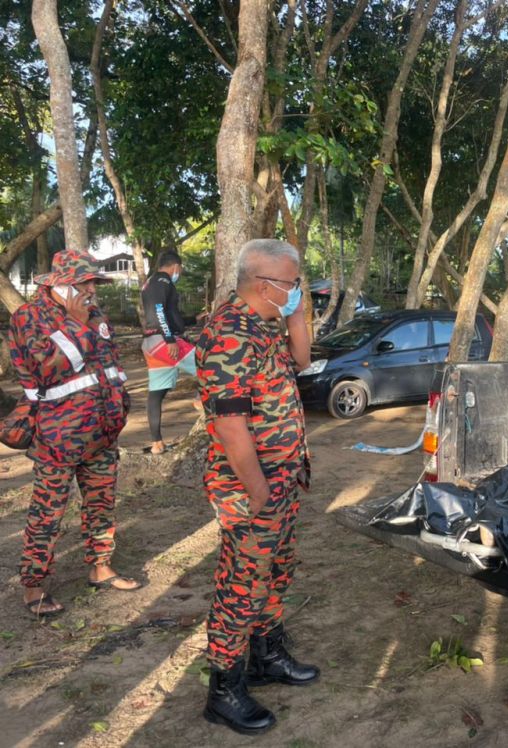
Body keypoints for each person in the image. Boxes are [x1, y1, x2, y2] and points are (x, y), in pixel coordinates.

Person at [197, 239, 318, 735]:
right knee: (241, 584)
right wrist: (259, 492)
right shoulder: (227, 335)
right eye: (290, 285)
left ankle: (266, 654)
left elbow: (304, 360)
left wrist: (294, 312)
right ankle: (224, 689)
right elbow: (230, 428)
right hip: (251, 489)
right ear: (263, 284)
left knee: (276, 571)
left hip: (283, 477)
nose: (296, 292)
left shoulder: (263, 324)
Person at [8, 249, 140, 617]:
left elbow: (108, 364)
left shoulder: (94, 314)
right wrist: (77, 324)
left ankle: (100, 566)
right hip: (58, 435)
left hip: (101, 429)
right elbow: (48, 368)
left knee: (101, 504)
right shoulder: (29, 317)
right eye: (84, 285)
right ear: (62, 286)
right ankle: (33, 585)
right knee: (48, 511)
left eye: (93, 284)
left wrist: (119, 407)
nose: (91, 292)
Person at [140, 251, 195, 454]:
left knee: (157, 392)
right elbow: (159, 311)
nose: (179, 273)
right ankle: (200, 400)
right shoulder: (162, 280)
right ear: (175, 266)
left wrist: (194, 319)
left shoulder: (151, 283)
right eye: (179, 269)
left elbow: (169, 314)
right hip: (164, 342)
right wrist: (170, 339)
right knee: (209, 365)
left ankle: (157, 443)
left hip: (151, 344)